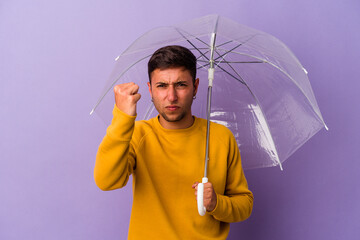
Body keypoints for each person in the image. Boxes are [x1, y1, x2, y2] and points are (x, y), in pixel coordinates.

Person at [94, 45, 253, 240]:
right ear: (150, 89)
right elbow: (106, 181)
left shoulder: (221, 137)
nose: (171, 97)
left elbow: (244, 205)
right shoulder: (137, 134)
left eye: (181, 85)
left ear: (195, 86)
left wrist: (216, 204)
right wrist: (122, 118)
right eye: (162, 86)